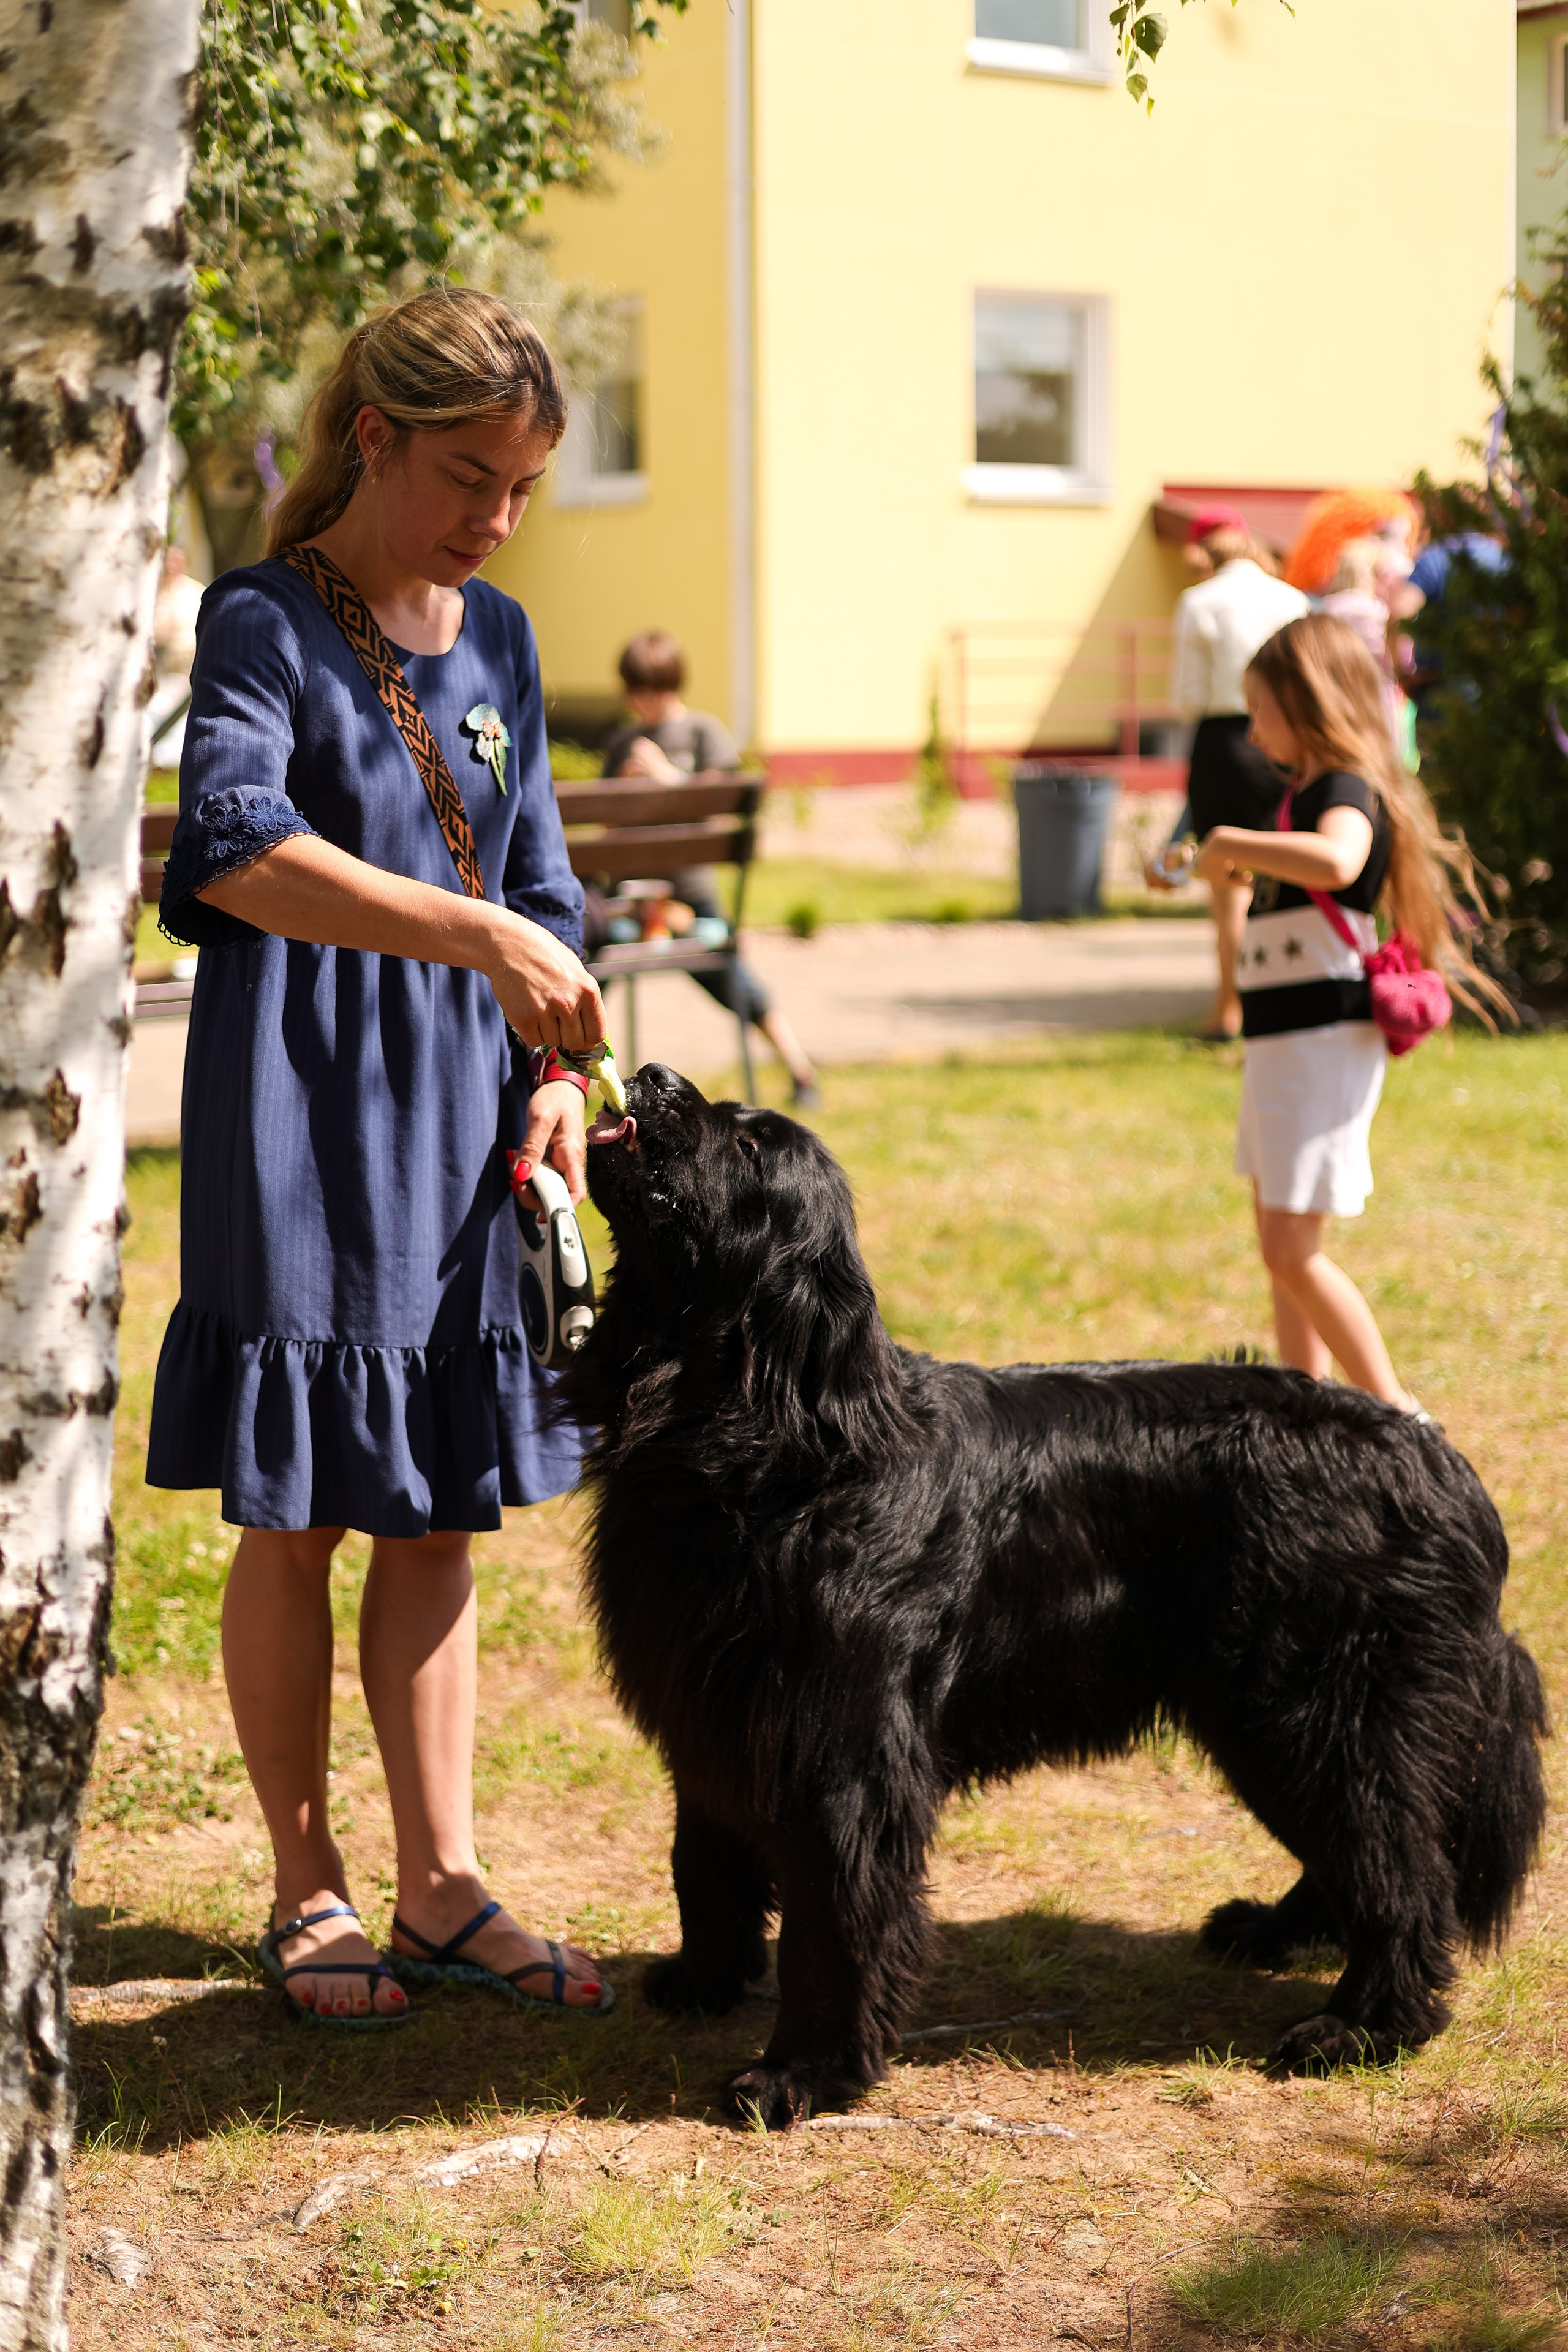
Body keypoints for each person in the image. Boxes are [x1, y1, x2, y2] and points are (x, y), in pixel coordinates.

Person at [148, 289, 614, 2027]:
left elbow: (543, 884)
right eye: (470, 477)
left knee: (439, 1520)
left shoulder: (495, 639)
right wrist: (475, 939)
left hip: (465, 1118)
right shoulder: (261, 619)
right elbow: (237, 846)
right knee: (307, 1517)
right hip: (299, 1105)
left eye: (522, 490)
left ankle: (442, 1888)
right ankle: (307, 1891)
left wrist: (553, 1067)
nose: (495, 520)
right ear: (375, 439)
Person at [1186, 613, 1502, 1406]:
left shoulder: (1343, 787)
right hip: (1285, 1043)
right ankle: (1307, 1414)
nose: (1252, 732)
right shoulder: (1304, 793)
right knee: (1279, 1246)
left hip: (1319, 1045)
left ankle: (1399, 1418)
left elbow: (1340, 861)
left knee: (1294, 1251)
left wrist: (1231, 839)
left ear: (1308, 701)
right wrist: (1220, 863)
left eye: (1260, 711)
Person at [599, 628, 820, 1105]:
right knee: (586, 977)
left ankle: (800, 1069)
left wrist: (668, 779)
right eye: (635, 691)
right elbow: (606, 825)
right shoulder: (622, 741)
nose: (643, 701)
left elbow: (718, 806)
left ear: (674, 685)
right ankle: (558, 1076)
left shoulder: (702, 732)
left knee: (733, 982)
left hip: (690, 896)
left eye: (653, 690)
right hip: (634, 900)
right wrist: (623, 787)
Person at [1163, 514, 1310, 1041]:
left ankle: (1229, 1006)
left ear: (1204, 552)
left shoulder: (1200, 602)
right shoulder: (1291, 599)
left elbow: (1186, 697)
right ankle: (1282, 998)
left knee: (1227, 881)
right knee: (1287, 869)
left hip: (1223, 743)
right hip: (1288, 740)